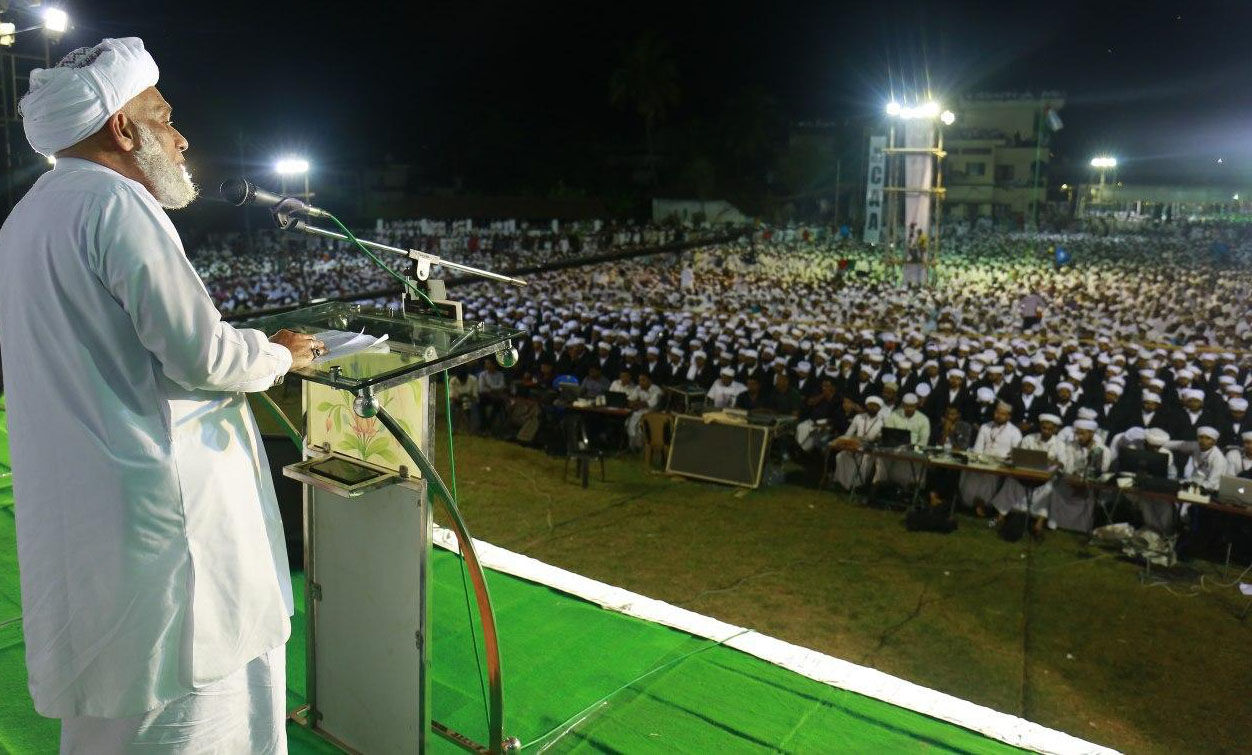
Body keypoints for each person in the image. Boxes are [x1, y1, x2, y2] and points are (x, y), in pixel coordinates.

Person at [0, 38, 322, 752]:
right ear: (122, 127)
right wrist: (278, 353)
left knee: (113, 710)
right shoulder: (118, 203)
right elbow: (201, 352)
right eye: (164, 115)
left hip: (86, 515)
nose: (181, 139)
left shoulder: (26, 219)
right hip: (166, 522)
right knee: (195, 703)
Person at [960, 401, 1022, 516]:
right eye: (997, 412)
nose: (998, 416)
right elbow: (978, 448)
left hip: (1000, 465)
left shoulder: (1015, 432)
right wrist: (979, 459)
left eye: (1002, 414)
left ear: (1009, 416)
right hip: (982, 460)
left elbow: (1015, 455)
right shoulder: (985, 427)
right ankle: (971, 502)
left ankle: (982, 504)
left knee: (990, 477)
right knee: (971, 473)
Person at [831, 396, 884, 491]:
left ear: (879, 408)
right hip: (854, 445)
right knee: (840, 456)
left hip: (869, 448)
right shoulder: (858, 417)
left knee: (864, 461)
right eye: (870, 405)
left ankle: (858, 486)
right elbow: (848, 433)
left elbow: (881, 439)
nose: (872, 408)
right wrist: (841, 440)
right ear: (867, 406)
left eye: (875, 406)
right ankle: (842, 484)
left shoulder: (882, 421)